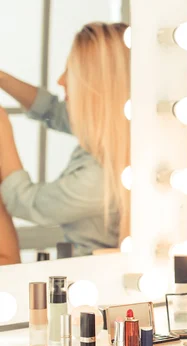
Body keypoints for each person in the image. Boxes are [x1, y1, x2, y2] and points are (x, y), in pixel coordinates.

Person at [0, 22, 131, 256]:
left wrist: (2, 130)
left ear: (98, 86)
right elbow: (51, 110)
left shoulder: (100, 178)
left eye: (71, 70)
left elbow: (26, 202)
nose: (61, 80)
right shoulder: (118, 132)